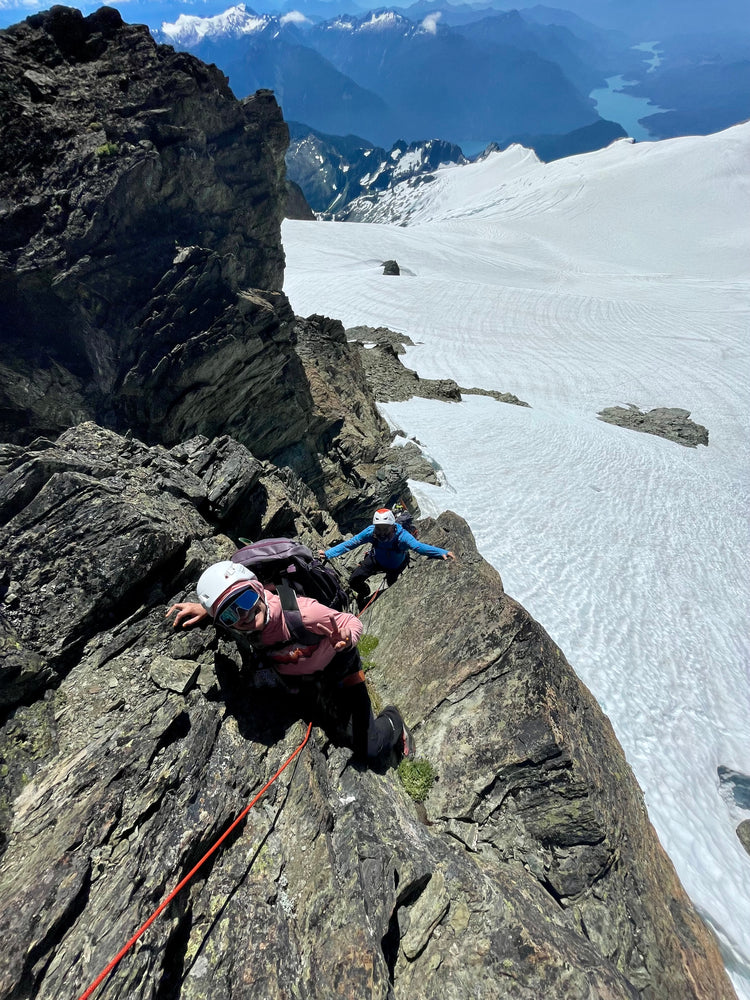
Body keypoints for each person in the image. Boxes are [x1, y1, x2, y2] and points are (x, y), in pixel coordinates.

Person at [166, 561, 411, 763]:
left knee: (370, 747)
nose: (244, 615)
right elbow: (229, 609)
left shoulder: (300, 613)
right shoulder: (240, 616)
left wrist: (347, 639)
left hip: (341, 668)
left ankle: (393, 720)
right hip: (305, 677)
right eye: (230, 613)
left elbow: (350, 622)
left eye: (246, 599)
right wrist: (205, 610)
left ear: (259, 589)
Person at [322, 508, 455, 611]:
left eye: (385, 528)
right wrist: (328, 554)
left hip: (395, 567)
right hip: (376, 560)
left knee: (392, 588)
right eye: (378, 528)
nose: (381, 531)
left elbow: (418, 547)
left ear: (392, 525)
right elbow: (350, 544)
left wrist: (441, 552)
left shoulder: (402, 536)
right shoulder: (371, 532)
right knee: (354, 581)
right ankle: (365, 592)